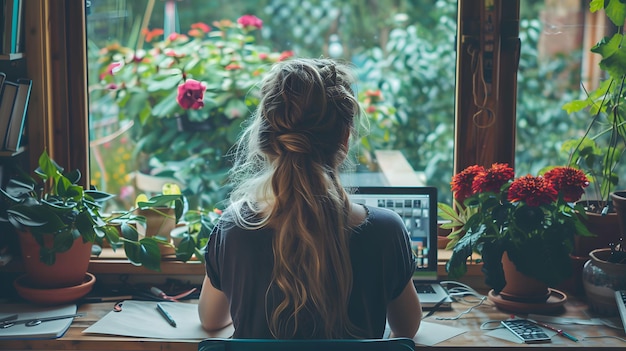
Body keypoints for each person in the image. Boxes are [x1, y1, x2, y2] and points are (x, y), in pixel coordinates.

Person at [198, 57, 422, 339]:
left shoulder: (234, 227)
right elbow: (407, 328)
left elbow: (210, 320)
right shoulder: (386, 231)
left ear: (267, 139)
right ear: (345, 137)